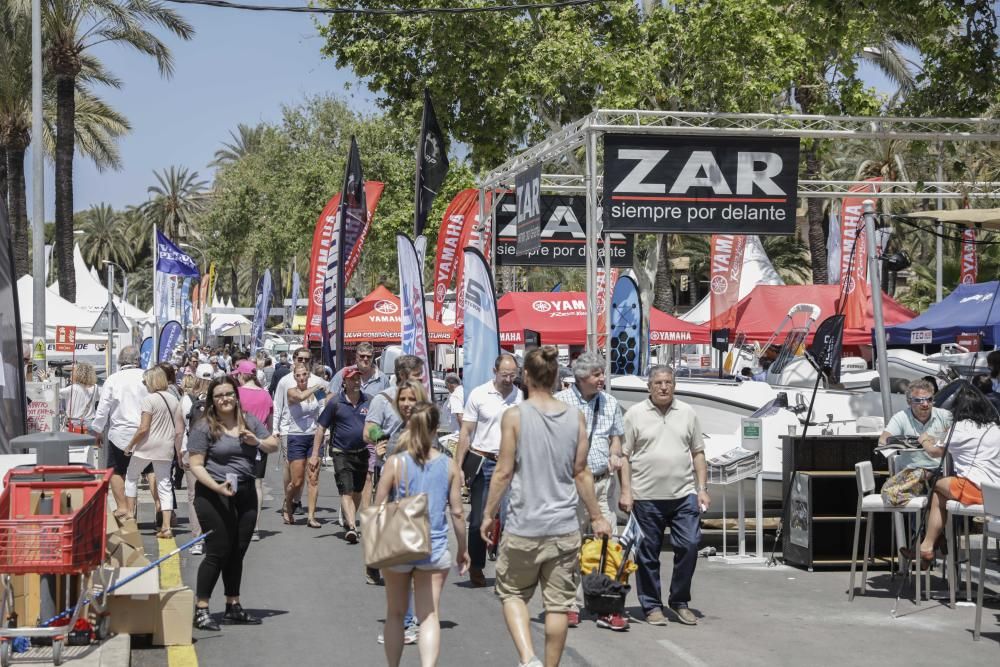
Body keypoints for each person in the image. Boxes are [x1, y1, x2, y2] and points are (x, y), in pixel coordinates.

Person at [481, 346, 610, 667]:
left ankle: (528, 659)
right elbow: (581, 472)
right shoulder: (574, 417)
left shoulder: (515, 416)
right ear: (555, 378)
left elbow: (504, 471)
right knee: (558, 605)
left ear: (525, 376)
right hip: (564, 526)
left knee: (511, 593)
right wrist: (596, 516)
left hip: (524, 524)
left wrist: (488, 513)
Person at [377, 401, 469, 667]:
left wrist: (375, 546)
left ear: (410, 425)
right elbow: (458, 512)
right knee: (429, 616)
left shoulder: (395, 463)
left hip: (399, 545)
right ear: (435, 428)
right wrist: (463, 549)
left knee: (395, 613)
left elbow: (378, 506)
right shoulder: (449, 465)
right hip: (434, 546)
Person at [618, 365, 709, 627]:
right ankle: (651, 605)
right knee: (647, 554)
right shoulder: (635, 415)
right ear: (649, 387)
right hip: (646, 497)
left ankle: (679, 601)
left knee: (690, 545)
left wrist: (702, 489)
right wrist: (626, 491)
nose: (663, 387)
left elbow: (698, 453)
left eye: (668, 382)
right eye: (658, 382)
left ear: (674, 385)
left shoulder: (687, 413)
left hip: (683, 495)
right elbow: (624, 456)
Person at [188, 376, 278, 631]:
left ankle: (233, 605)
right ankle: (201, 608)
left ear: (236, 397)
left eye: (228, 394)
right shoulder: (204, 426)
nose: (225, 399)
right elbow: (195, 465)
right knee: (217, 551)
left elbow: (273, 444)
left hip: (245, 492)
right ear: (212, 401)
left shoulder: (248, 420)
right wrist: (216, 486)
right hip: (213, 494)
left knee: (237, 552)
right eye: (219, 396)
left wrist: (256, 441)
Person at [553, 352, 626, 631]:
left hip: (602, 483)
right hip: (571, 486)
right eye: (597, 375)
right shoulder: (559, 404)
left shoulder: (610, 402)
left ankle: (607, 605)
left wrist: (615, 451)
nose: (602, 379)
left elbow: (616, 438)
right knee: (570, 547)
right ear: (582, 377)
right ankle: (569, 604)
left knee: (607, 545)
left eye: (602, 374)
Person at [903, 383, 1000, 565]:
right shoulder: (994, 427)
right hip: (995, 492)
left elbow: (934, 452)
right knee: (939, 495)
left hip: (974, 488)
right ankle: (929, 544)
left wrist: (924, 439)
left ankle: (930, 542)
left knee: (934, 486)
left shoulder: (960, 428)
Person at [455, 353, 522, 587]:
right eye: (505, 375)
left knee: (510, 518)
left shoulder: (520, 397)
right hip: (483, 462)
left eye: (513, 375)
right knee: (479, 518)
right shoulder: (479, 394)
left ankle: (507, 569)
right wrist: (458, 466)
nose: (508, 379)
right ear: (495, 372)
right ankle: (476, 566)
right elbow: (466, 433)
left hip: (510, 464)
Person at [363, 354, 426, 585]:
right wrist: (381, 441)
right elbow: (368, 430)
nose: (421, 380)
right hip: (390, 467)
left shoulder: (422, 399)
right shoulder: (383, 399)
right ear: (402, 375)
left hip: (417, 469)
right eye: (416, 376)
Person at [122, 367, 185, 537]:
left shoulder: (149, 400)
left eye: (145, 382)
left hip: (146, 446)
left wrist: (130, 445)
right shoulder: (173, 399)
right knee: (164, 484)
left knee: (131, 477)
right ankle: (166, 527)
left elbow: (143, 428)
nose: (144, 385)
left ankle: (129, 515)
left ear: (151, 381)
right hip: (166, 446)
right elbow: (179, 428)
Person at [314, 366, 370, 543]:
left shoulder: (369, 401)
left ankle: (348, 517)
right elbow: (321, 427)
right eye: (352, 379)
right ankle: (352, 526)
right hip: (341, 452)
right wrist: (315, 453)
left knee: (357, 491)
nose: (356, 382)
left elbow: (375, 425)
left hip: (362, 452)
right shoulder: (335, 403)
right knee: (346, 490)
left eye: (358, 378)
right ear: (344, 382)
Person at [91, 346, 149, 514]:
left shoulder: (113, 379)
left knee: (116, 470)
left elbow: (103, 409)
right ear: (138, 360)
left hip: (120, 434)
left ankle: (124, 507)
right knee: (151, 470)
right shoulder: (146, 377)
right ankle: (161, 508)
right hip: (145, 432)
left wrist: (98, 430)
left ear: (120, 361)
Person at [272, 348, 325, 517]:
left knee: (310, 473)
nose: (303, 362)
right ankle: (289, 498)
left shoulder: (316, 380)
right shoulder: (286, 382)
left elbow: (323, 406)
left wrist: (325, 429)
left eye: (306, 359)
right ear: (294, 359)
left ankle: (299, 502)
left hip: (312, 432)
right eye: (300, 359)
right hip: (289, 429)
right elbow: (278, 405)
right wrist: (275, 429)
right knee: (293, 469)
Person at [235, 360, 274, 542]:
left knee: (235, 480)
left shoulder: (237, 393)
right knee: (257, 485)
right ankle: (255, 527)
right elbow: (270, 424)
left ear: (242, 375)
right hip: (260, 442)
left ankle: (236, 522)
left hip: (239, 441)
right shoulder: (266, 395)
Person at [282, 363, 325, 527]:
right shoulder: (292, 392)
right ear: (294, 377)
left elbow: (326, 403)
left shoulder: (316, 392)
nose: (301, 378)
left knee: (313, 478)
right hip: (296, 437)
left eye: (304, 374)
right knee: (297, 481)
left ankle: (311, 516)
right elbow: (300, 398)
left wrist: (327, 391)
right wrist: (316, 387)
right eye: (298, 375)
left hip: (313, 437)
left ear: (308, 375)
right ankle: (287, 505)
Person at [879, 379, 953, 471]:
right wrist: (915, 442)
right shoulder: (900, 417)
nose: (925, 404)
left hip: (941, 471)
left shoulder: (945, 416)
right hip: (911, 472)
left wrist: (934, 441)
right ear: (909, 402)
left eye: (929, 399)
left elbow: (958, 441)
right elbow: (883, 441)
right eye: (919, 400)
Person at [60, 362, 100, 433]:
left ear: (77, 374)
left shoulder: (72, 388)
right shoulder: (95, 388)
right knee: (90, 443)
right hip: (90, 423)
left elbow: (54, 393)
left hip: (74, 424)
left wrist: (45, 380)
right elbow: (99, 399)